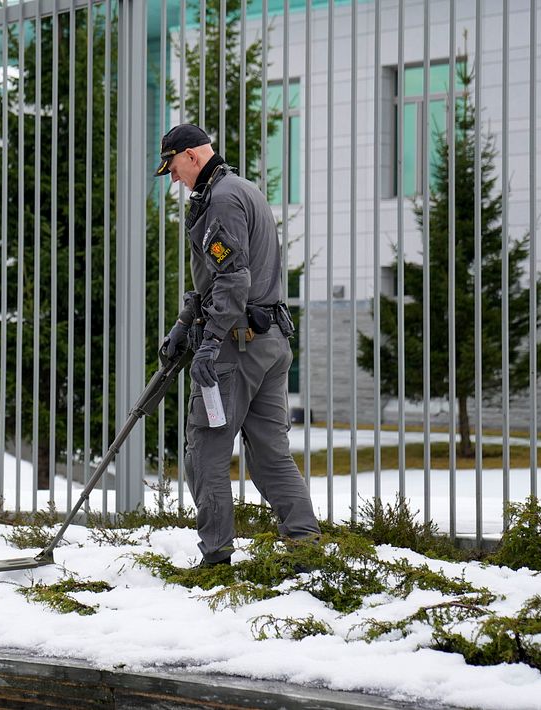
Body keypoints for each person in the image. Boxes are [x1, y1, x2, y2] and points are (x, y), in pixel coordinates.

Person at [155, 123, 321, 567]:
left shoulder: (222, 200)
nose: (172, 177)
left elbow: (233, 278)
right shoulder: (241, 189)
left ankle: (216, 559)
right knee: (270, 454)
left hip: (235, 348)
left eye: (172, 166)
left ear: (191, 155)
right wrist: (183, 323)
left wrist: (208, 344)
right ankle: (306, 550)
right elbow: (217, 278)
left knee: (205, 451)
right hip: (269, 343)